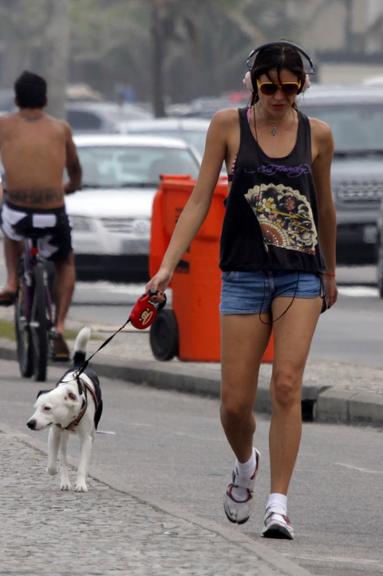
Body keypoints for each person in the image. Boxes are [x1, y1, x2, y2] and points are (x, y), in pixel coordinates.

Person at [146, 41, 338, 539]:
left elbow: (326, 208)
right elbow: (197, 201)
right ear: (253, 82)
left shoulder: (318, 135)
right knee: (233, 404)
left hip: (301, 274)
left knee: (287, 385)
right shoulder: (227, 126)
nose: (278, 96)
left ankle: (279, 503)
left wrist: (330, 272)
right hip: (244, 273)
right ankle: (244, 463)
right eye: (269, 86)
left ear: (303, 86)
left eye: (289, 88)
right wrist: (168, 266)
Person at [0, 71, 82, 360]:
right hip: (52, 212)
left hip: (18, 210)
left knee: (8, 226)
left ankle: (11, 281)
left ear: (16, 98)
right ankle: (58, 327)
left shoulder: (3, 125)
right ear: (45, 99)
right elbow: (74, 169)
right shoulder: (61, 129)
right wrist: (70, 187)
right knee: (65, 262)